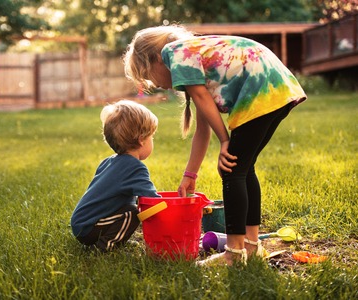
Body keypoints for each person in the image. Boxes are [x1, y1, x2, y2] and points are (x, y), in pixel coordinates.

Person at [123, 25, 307, 265]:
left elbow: (201, 98)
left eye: (150, 76)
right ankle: (251, 246)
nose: (157, 84)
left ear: (155, 59)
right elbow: (202, 128)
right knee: (242, 167)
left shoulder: (173, 52)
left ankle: (234, 253)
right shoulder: (193, 57)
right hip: (277, 87)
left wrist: (225, 141)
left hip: (259, 88)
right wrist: (190, 174)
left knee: (231, 170)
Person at [71, 99, 160, 252]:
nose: (152, 141)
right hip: (91, 227)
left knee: (129, 209)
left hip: (81, 223)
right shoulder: (135, 168)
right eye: (151, 137)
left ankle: (117, 237)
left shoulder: (108, 162)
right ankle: (105, 246)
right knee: (132, 214)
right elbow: (154, 201)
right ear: (141, 141)